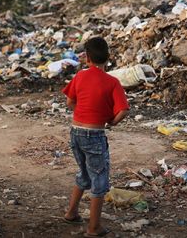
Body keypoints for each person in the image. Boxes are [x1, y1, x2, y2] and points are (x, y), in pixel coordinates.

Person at [62, 37, 130, 237]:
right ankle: (93, 227)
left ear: (87, 58)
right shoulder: (112, 82)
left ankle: (71, 213)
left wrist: (80, 115)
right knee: (99, 178)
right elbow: (123, 110)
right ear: (108, 58)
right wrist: (111, 123)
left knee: (84, 172)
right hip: (95, 135)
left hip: (76, 132)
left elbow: (69, 102)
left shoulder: (80, 76)